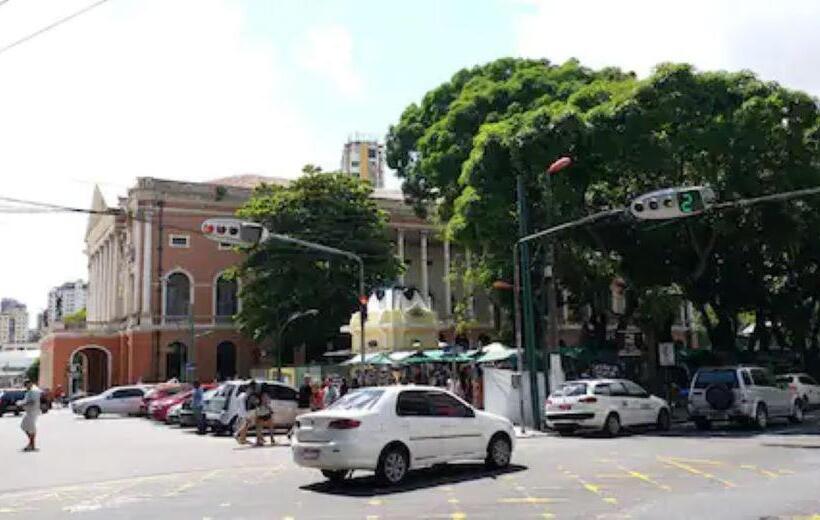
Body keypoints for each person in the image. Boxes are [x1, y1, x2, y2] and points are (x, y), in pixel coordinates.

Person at [18, 380, 41, 452]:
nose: (26, 386)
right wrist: (22, 402)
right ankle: (31, 444)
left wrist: (23, 404)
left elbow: (32, 401)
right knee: (24, 426)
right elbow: (27, 400)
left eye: (28, 384)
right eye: (25, 385)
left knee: (31, 428)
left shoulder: (33, 391)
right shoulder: (28, 392)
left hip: (32, 411)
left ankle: (32, 445)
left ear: (31, 384)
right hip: (28, 411)